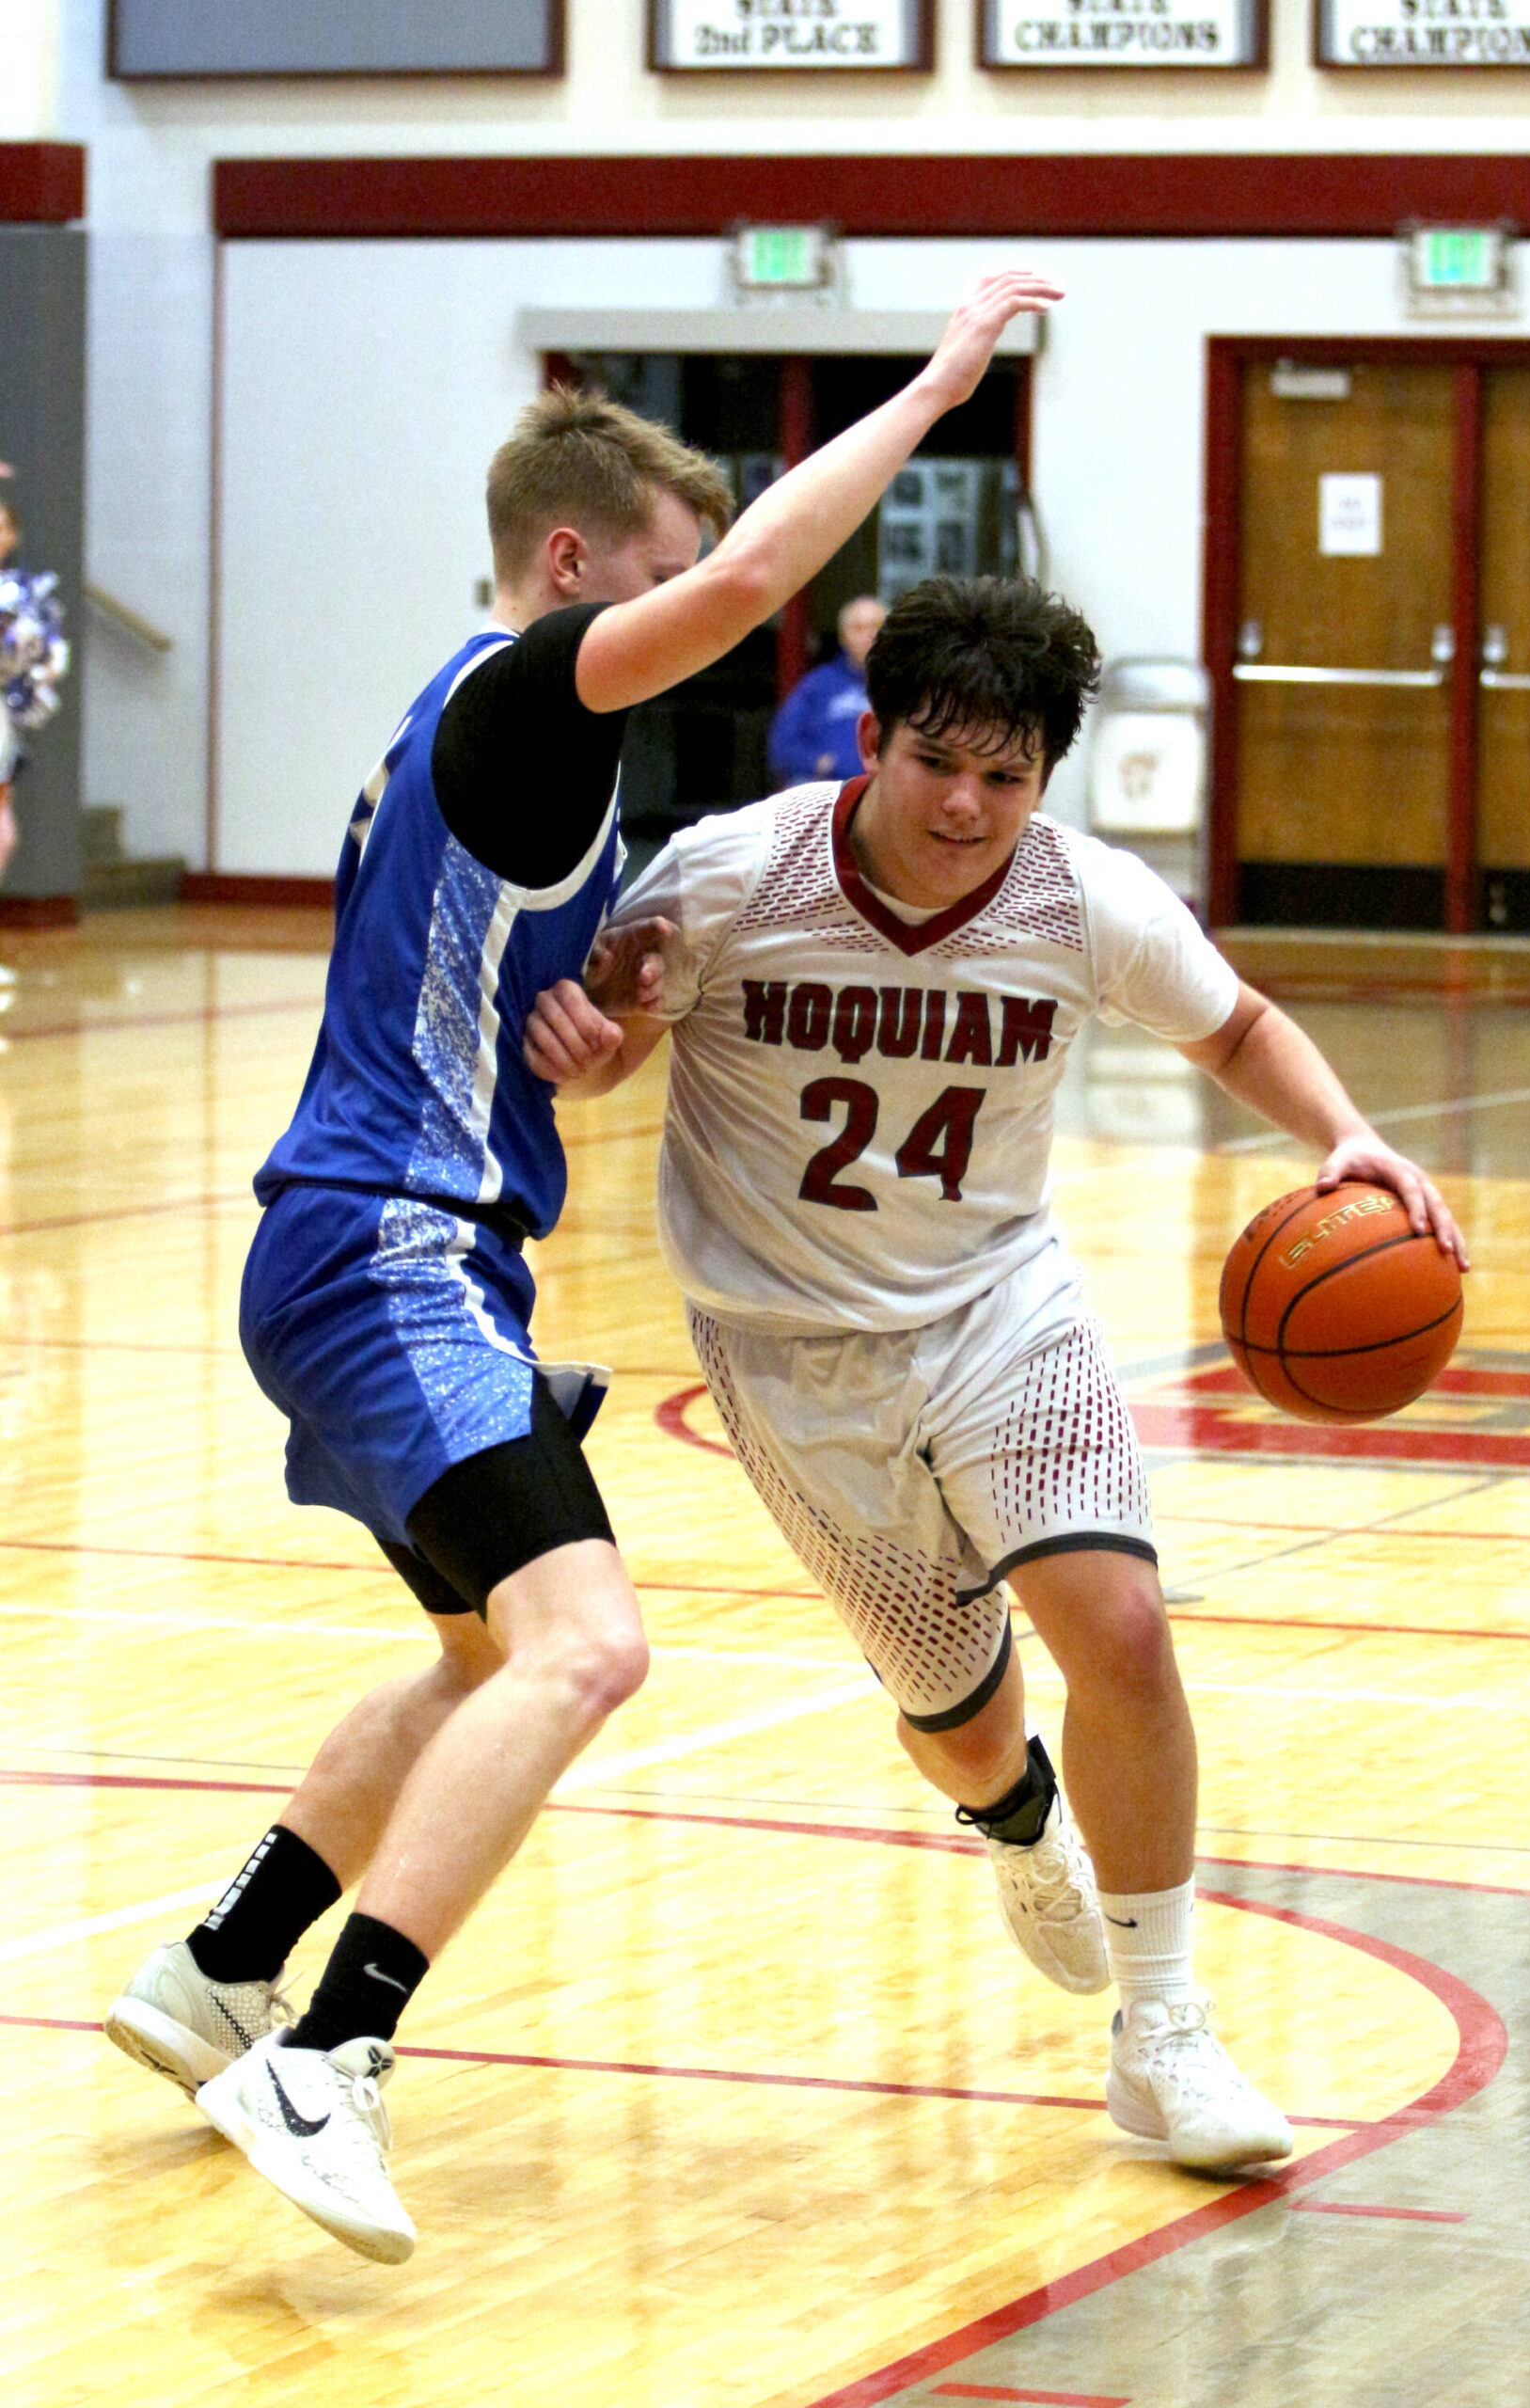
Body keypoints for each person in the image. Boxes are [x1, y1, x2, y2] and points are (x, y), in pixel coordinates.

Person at [102, 275, 1063, 2265]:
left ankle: (223, 1970)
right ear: (572, 563)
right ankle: (330, 2054)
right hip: (389, 1247)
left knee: (481, 1652)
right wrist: (945, 385)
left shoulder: (472, 736)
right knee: (587, 1647)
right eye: (664, 571)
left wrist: (601, 1012)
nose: (696, 599)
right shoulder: (524, 686)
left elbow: (509, 982)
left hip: (364, 1240)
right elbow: (758, 581)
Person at [522, 574, 1470, 2176]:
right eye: (936, 762)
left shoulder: (1076, 898)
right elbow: (616, 1039)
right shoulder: (734, 875)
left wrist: (1347, 1136)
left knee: (1121, 1627)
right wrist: (591, 1048)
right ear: (869, 741)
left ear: (1043, 782)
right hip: (788, 1347)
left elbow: (1233, 1025)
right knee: (957, 1718)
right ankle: (1013, 1816)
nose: (965, 805)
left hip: (996, 1313)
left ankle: (1161, 2037)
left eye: (1005, 775)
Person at [0, 493, 71, 911]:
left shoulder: (26, 594)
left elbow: (49, 658)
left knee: (4, 831)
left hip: (2, 716)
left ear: (14, 535)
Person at [767, 594, 886, 785]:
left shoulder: (905, 687)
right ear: (843, 636)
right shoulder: (818, 684)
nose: (868, 636)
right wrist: (819, 763)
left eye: (875, 627)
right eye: (858, 628)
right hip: (829, 791)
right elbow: (782, 747)